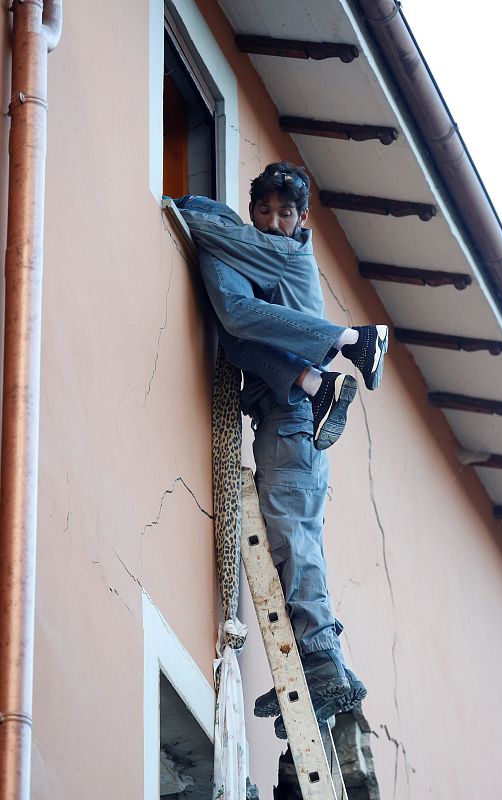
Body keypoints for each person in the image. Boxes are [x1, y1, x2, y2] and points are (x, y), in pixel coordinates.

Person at [174, 162, 388, 737]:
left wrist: (188, 206)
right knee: (297, 535)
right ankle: (329, 670)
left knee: (291, 534)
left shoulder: (284, 254)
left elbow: (203, 233)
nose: (272, 223)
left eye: (284, 213)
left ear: (303, 219)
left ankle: (321, 660)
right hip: (286, 413)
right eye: (263, 212)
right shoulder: (271, 253)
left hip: (290, 418)